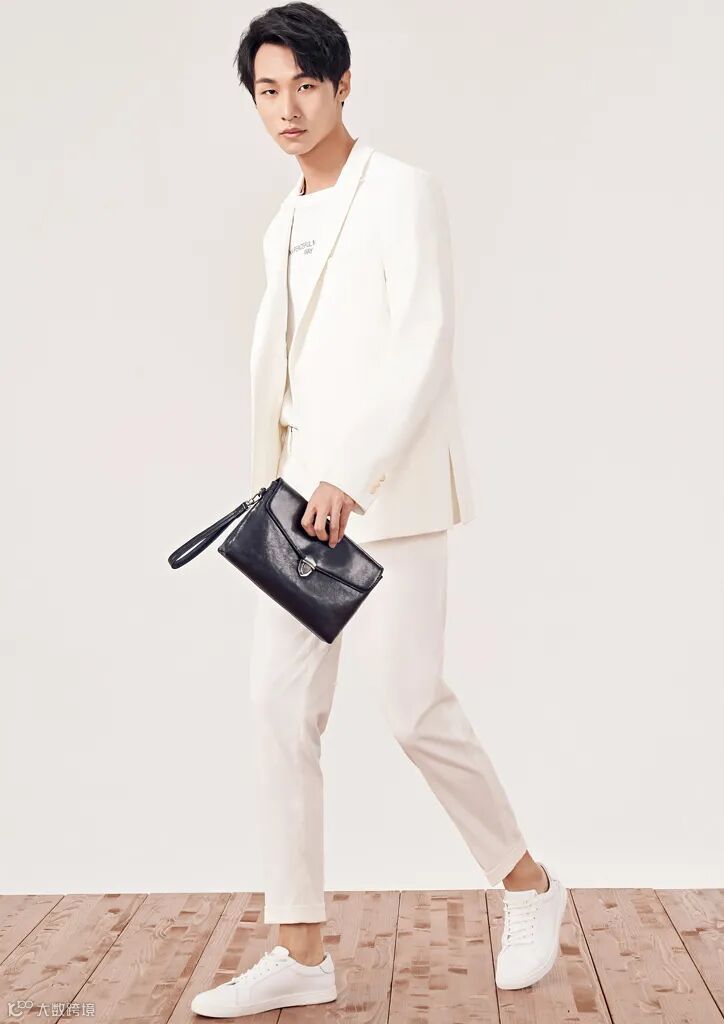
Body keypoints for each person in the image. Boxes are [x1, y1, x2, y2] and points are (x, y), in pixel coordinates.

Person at [191, 3, 566, 1017]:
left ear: (343, 85)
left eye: (305, 86)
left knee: (409, 706)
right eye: (268, 90)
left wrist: (350, 472)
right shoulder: (283, 222)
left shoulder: (401, 191)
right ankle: (300, 949)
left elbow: (422, 344)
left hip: (385, 495)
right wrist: (280, 480)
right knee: (278, 712)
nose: (287, 109)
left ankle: (527, 883)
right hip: (293, 510)